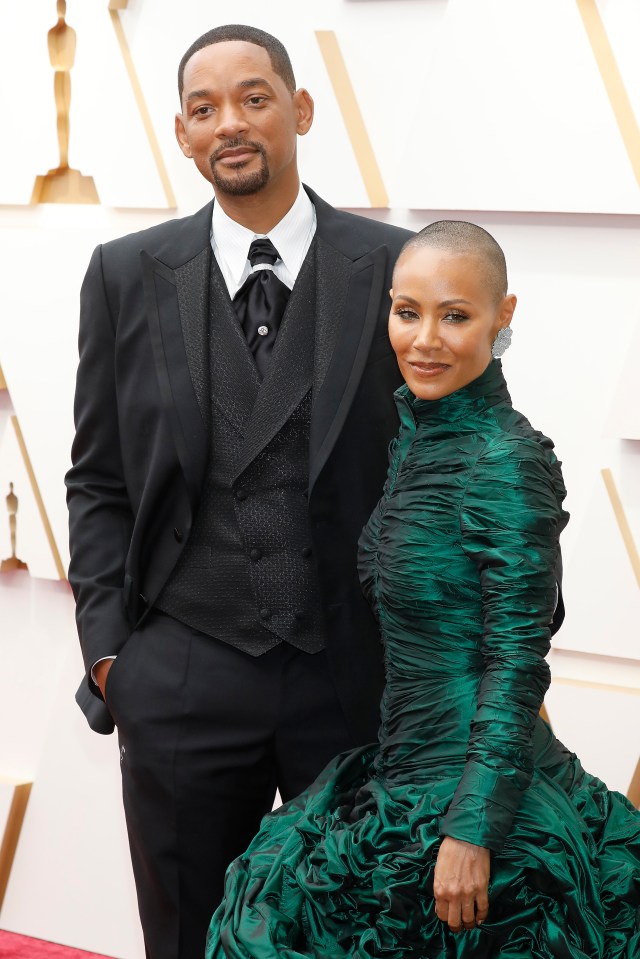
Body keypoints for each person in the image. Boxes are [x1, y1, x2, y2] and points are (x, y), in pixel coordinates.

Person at [65, 24, 414, 959]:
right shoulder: (125, 273)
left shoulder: (394, 269)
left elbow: (451, 463)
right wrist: (112, 658)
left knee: (348, 938)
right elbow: (97, 479)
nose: (231, 123)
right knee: (184, 941)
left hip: (348, 677)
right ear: (181, 133)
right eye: (204, 107)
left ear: (300, 111)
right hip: (182, 671)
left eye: (254, 98)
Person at [205, 221, 640, 958]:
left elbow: (515, 660)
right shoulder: (420, 435)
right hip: (397, 775)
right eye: (408, 312)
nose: (425, 339)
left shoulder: (505, 460)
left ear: (503, 316)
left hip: (473, 804)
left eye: (456, 315)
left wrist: (472, 829)